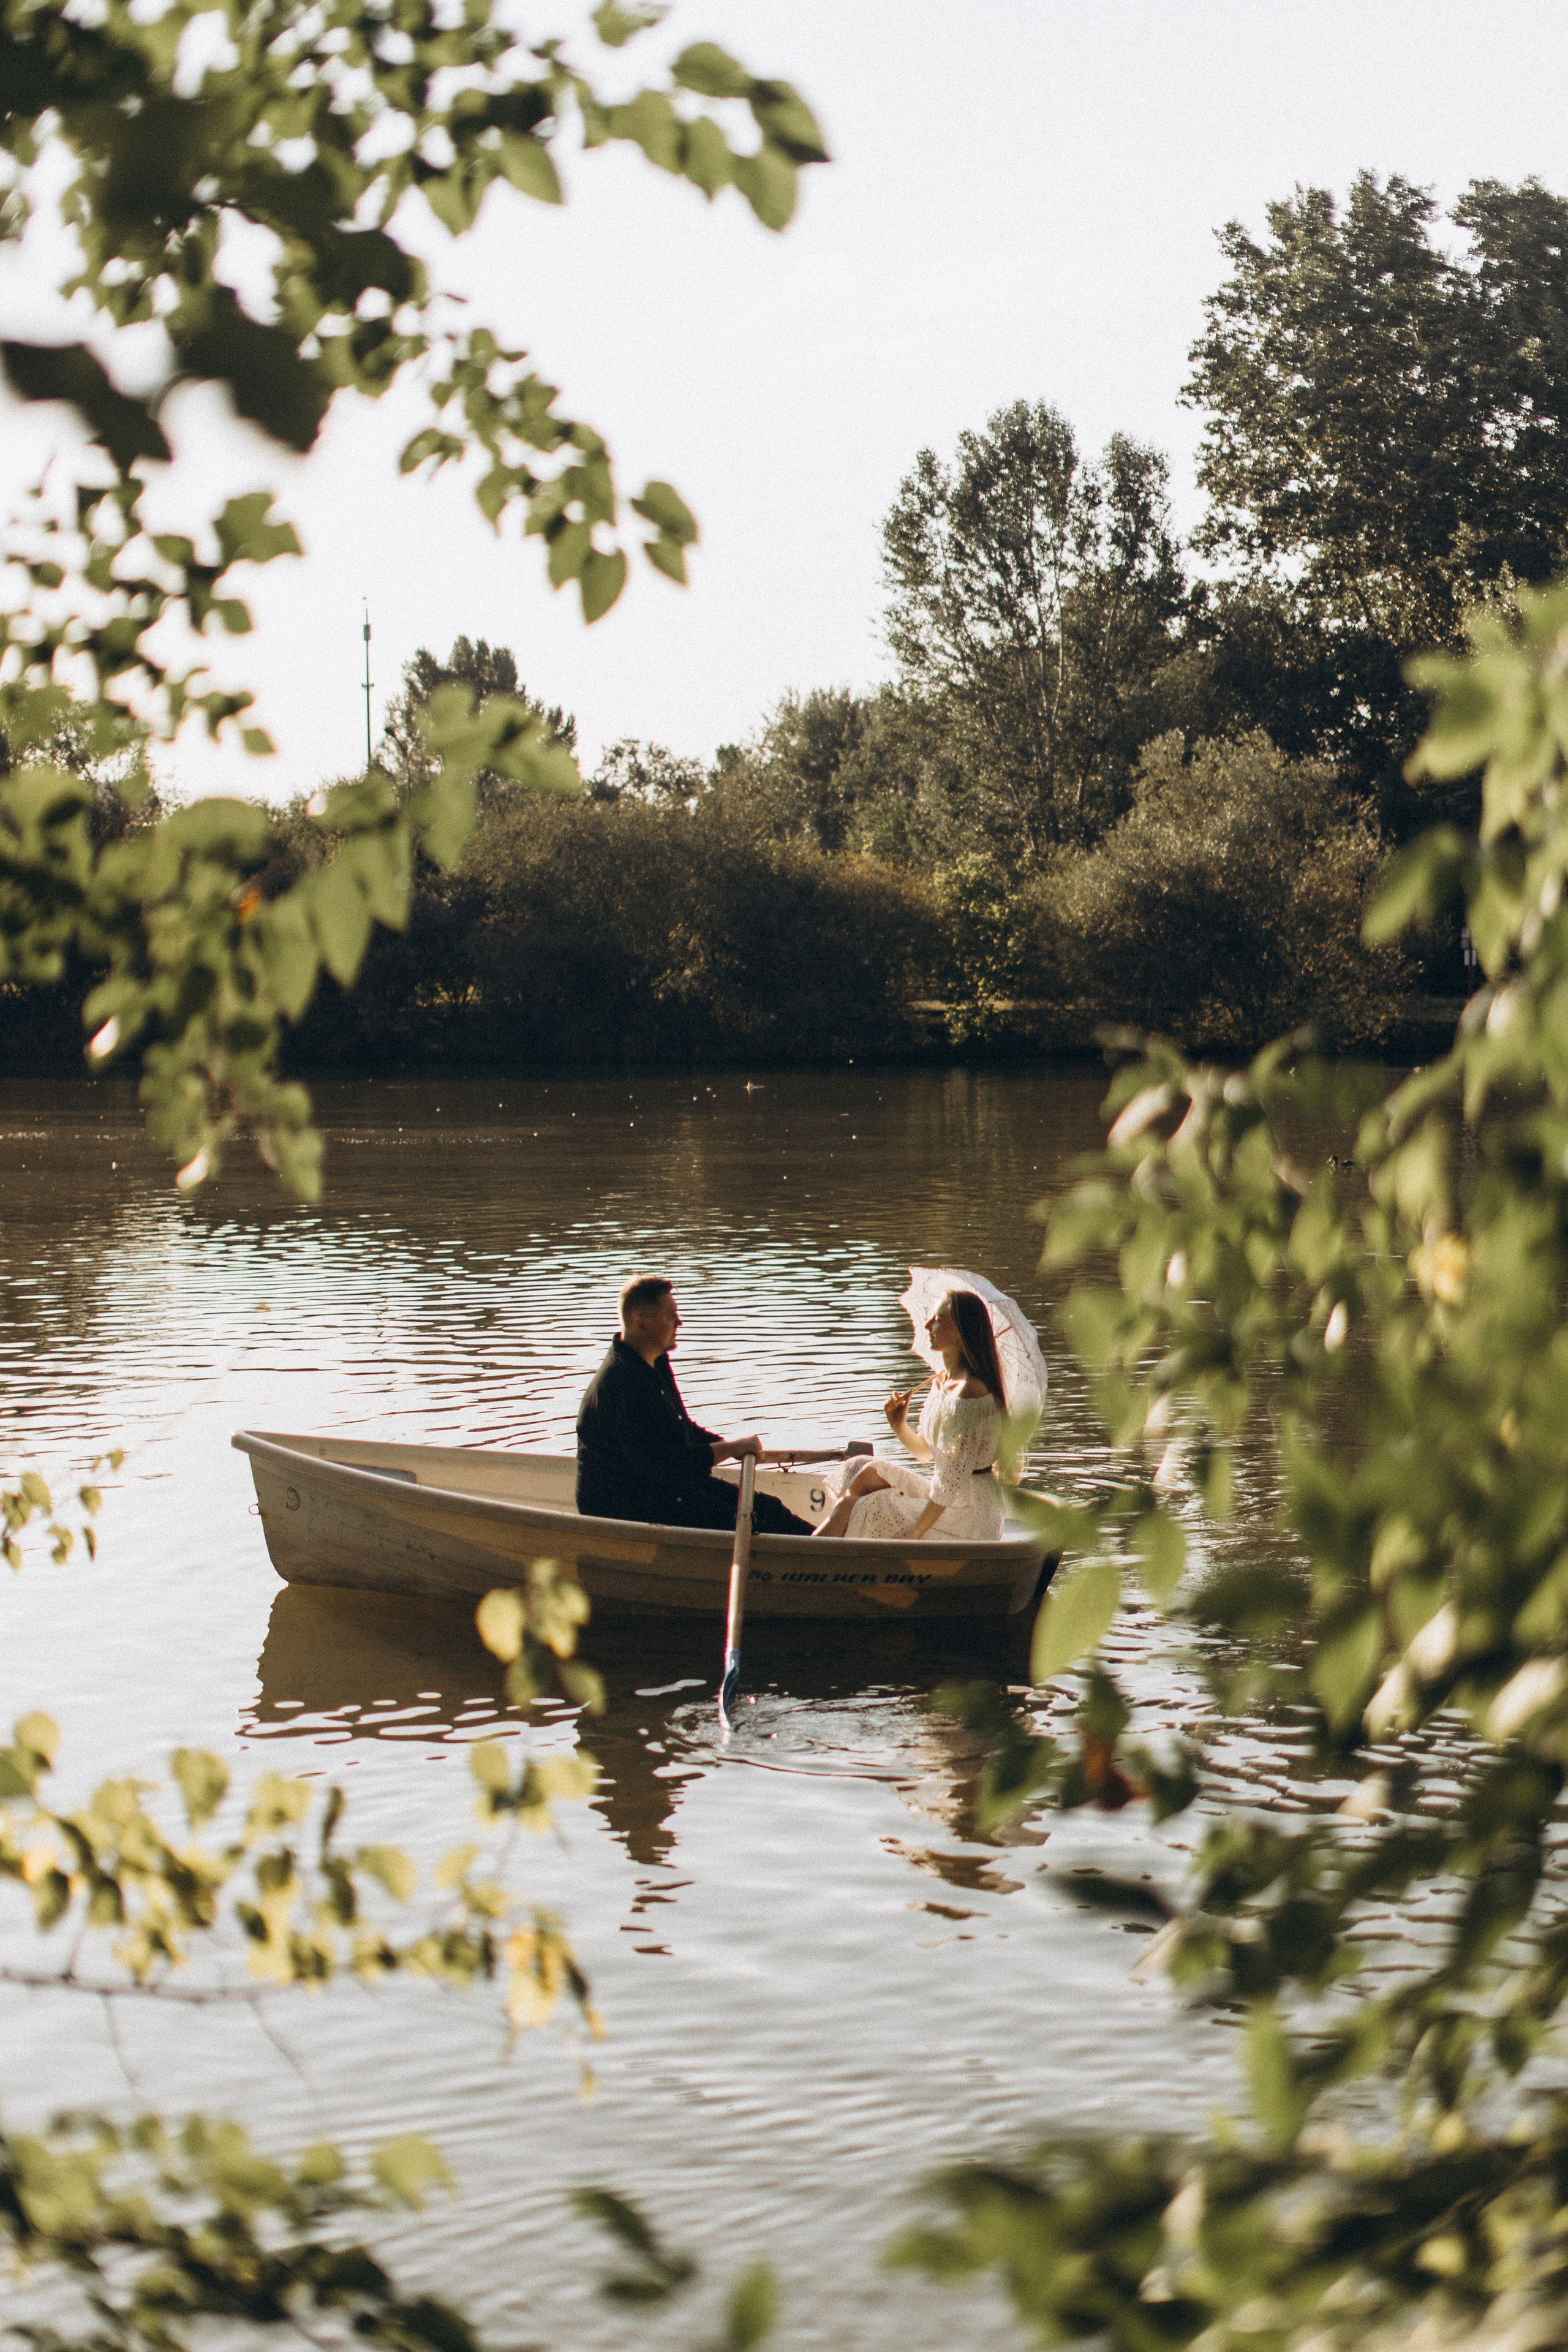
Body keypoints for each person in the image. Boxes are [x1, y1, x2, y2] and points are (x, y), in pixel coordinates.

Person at [576, 1275, 813, 1534]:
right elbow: (662, 1466)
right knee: (755, 1522)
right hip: (628, 1508)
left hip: (662, 1489)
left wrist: (728, 1447)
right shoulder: (623, 1384)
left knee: (768, 1508)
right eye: (670, 1316)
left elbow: (682, 1430)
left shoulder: (655, 1363)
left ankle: (831, 1546)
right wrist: (728, 1449)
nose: (679, 1322)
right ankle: (826, 1555)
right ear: (641, 1323)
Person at [814, 1290, 1005, 1542]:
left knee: (858, 1507)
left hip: (970, 1514)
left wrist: (913, 1536)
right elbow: (925, 1453)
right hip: (949, 1498)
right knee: (862, 1469)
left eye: (937, 1319)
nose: (927, 1324)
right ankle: (835, 1550)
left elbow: (949, 1484)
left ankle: (806, 1557)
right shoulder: (943, 1383)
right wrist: (899, 1426)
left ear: (960, 1332)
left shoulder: (969, 1393)